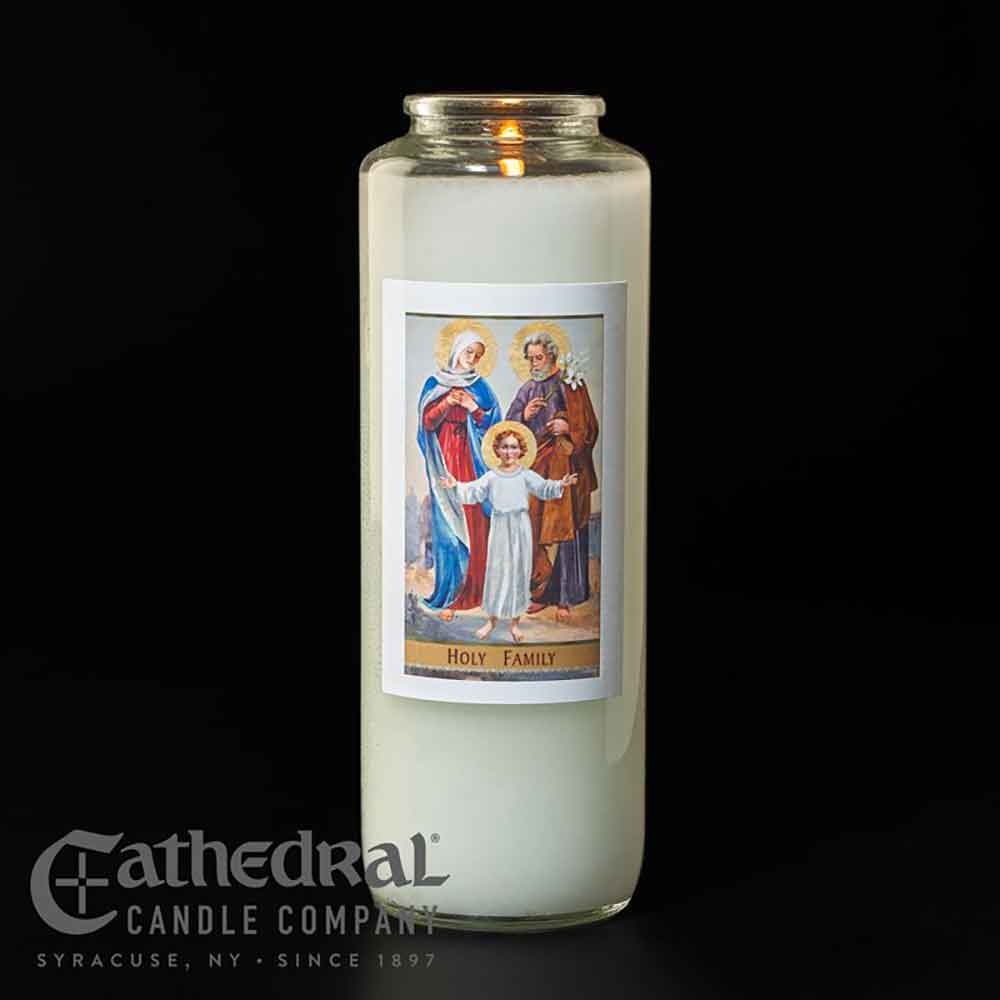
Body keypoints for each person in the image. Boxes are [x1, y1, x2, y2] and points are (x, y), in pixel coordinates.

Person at [440, 428, 578, 643]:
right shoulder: (492, 476)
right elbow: (474, 491)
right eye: (504, 447)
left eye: (513, 447)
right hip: (500, 528)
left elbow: (543, 488)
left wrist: (562, 483)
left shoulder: (525, 475)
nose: (509, 451)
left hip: (520, 528)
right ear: (497, 450)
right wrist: (455, 485)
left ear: (521, 450)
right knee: (496, 572)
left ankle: (514, 624)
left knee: (518, 573)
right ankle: (491, 621)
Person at [505, 330, 598, 621]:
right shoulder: (527, 390)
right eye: (530, 358)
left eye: (539, 357)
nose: (534, 363)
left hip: (567, 466)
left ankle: (567, 596)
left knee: (566, 529)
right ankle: (540, 594)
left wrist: (568, 428)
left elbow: (590, 426)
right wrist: (524, 416)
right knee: (535, 529)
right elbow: (509, 429)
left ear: (552, 356)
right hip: (537, 468)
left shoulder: (571, 384)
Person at [417, 330, 502, 619]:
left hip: (473, 464)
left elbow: (495, 427)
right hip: (444, 463)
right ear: (457, 350)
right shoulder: (435, 383)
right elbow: (426, 423)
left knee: (476, 525)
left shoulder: (481, 387)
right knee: (448, 532)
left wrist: (473, 407)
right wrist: (447, 403)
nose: (473, 359)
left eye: (478, 355)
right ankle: (451, 595)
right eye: (469, 352)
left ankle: (475, 593)